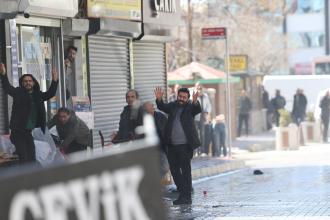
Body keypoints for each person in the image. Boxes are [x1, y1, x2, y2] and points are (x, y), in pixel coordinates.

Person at [0, 63, 58, 164]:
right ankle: (24, 177)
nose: (28, 83)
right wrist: (3, 74)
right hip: (17, 132)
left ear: (34, 83)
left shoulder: (37, 95)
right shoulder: (18, 92)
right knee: (24, 157)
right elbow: (7, 87)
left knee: (31, 156)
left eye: (30, 81)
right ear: (22, 83)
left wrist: (55, 80)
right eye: (25, 81)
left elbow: (50, 94)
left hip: (28, 132)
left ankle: (30, 177)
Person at [154, 86, 201, 205]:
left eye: (184, 97)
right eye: (180, 96)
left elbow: (197, 109)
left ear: (188, 98)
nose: (181, 99)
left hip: (185, 146)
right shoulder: (173, 106)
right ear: (177, 96)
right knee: (174, 171)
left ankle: (186, 197)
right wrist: (159, 99)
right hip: (172, 145)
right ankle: (183, 194)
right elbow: (162, 107)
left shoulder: (190, 107)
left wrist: (195, 101)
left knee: (185, 171)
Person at [143, 101, 169, 179]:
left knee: (165, 167)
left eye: (149, 110)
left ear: (153, 108)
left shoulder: (161, 117)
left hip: (161, 147)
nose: (147, 112)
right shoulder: (141, 118)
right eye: (145, 111)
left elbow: (168, 129)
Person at [194, 82, 212, 155]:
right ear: (195, 88)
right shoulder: (193, 96)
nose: (199, 89)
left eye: (200, 88)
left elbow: (209, 106)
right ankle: (195, 151)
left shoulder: (205, 96)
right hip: (195, 118)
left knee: (202, 134)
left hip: (202, 117)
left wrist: (207, 112)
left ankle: (202, 151)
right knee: (195, 134)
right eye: (198, 88)